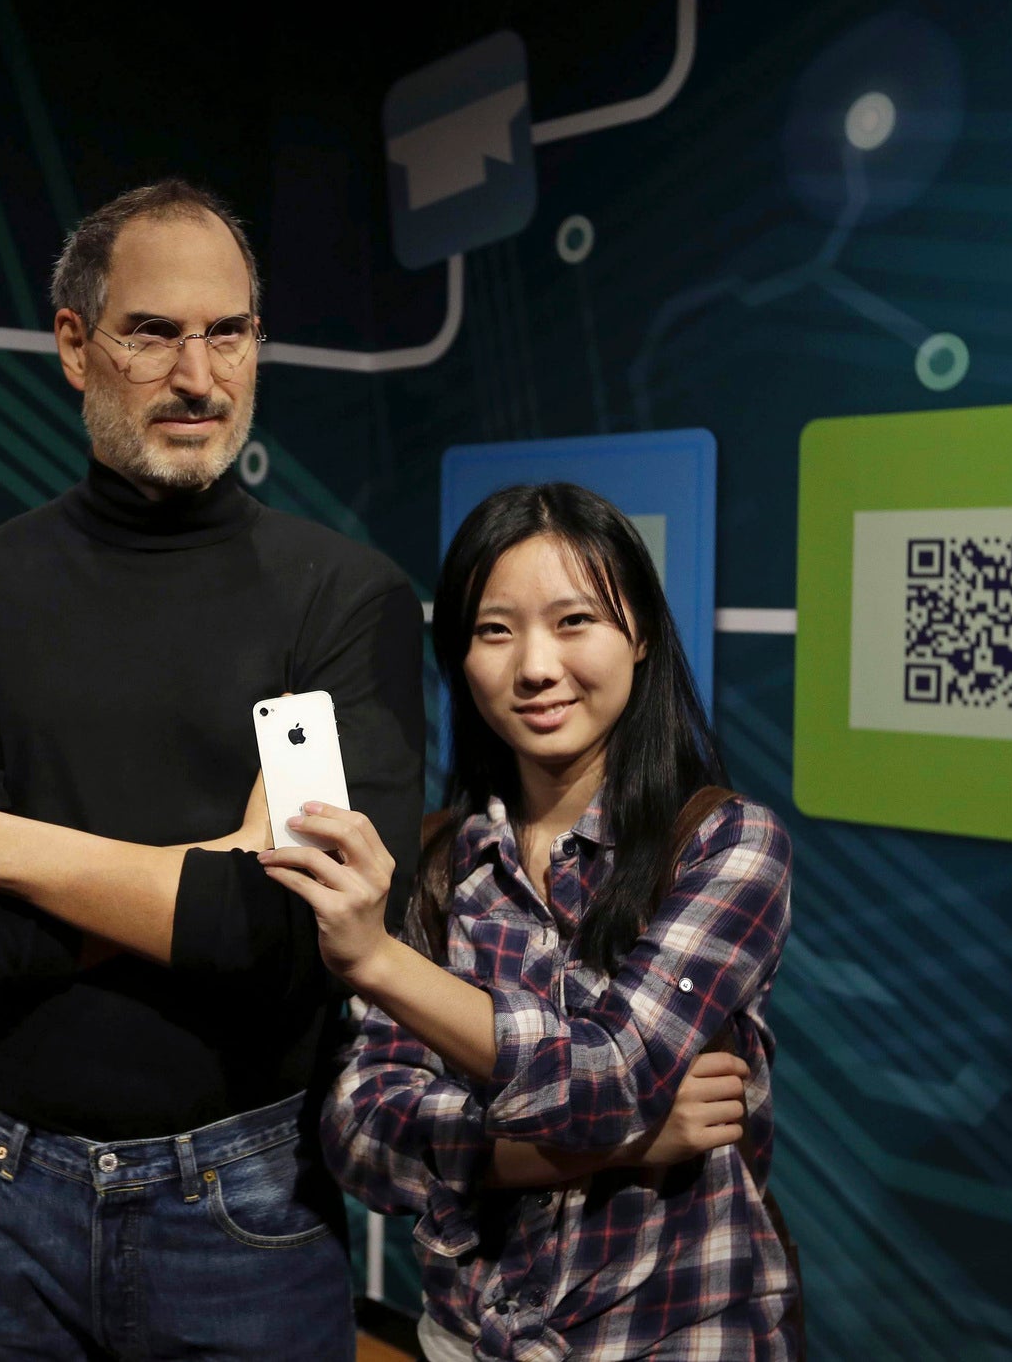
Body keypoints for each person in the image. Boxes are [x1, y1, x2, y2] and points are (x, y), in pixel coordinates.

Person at [0, 179, 427, 1359]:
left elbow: (289, 938)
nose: (198, 377)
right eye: (153, 333)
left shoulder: (343, 599)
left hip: (243, 1201)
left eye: (229, 332)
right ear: (75, 346)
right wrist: (205, 879)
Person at [261, 483, 799, 1360]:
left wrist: (381, 964)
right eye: (495, 630)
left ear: (643, 636)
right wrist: (620, 1143)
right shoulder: (433, 865)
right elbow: (360, 1135)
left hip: (671, 1333)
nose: (536, 666)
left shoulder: (727, 845)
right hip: (468, 1338)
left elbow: (612, 1072)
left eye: (575, 620)